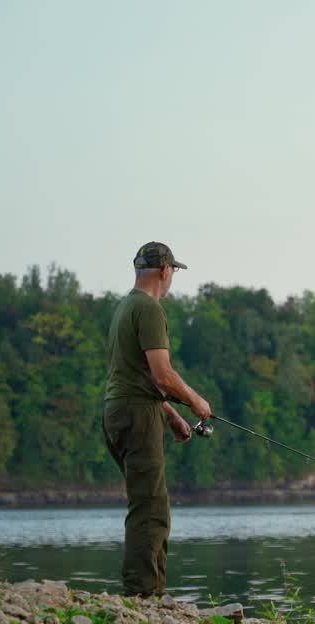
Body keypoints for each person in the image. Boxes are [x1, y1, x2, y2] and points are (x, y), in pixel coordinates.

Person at [101, 242, 211, 597]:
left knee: (148, 502)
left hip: (120, 411)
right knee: (150, 508)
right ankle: (144, 596)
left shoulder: (124, 307)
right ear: (165, 271)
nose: (172, 278)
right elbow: (162, 375)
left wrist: (173, 415)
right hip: (136, 414)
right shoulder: (149, 309)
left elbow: (134, 374)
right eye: (173, 272)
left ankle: (149, 594)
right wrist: (196, 402)